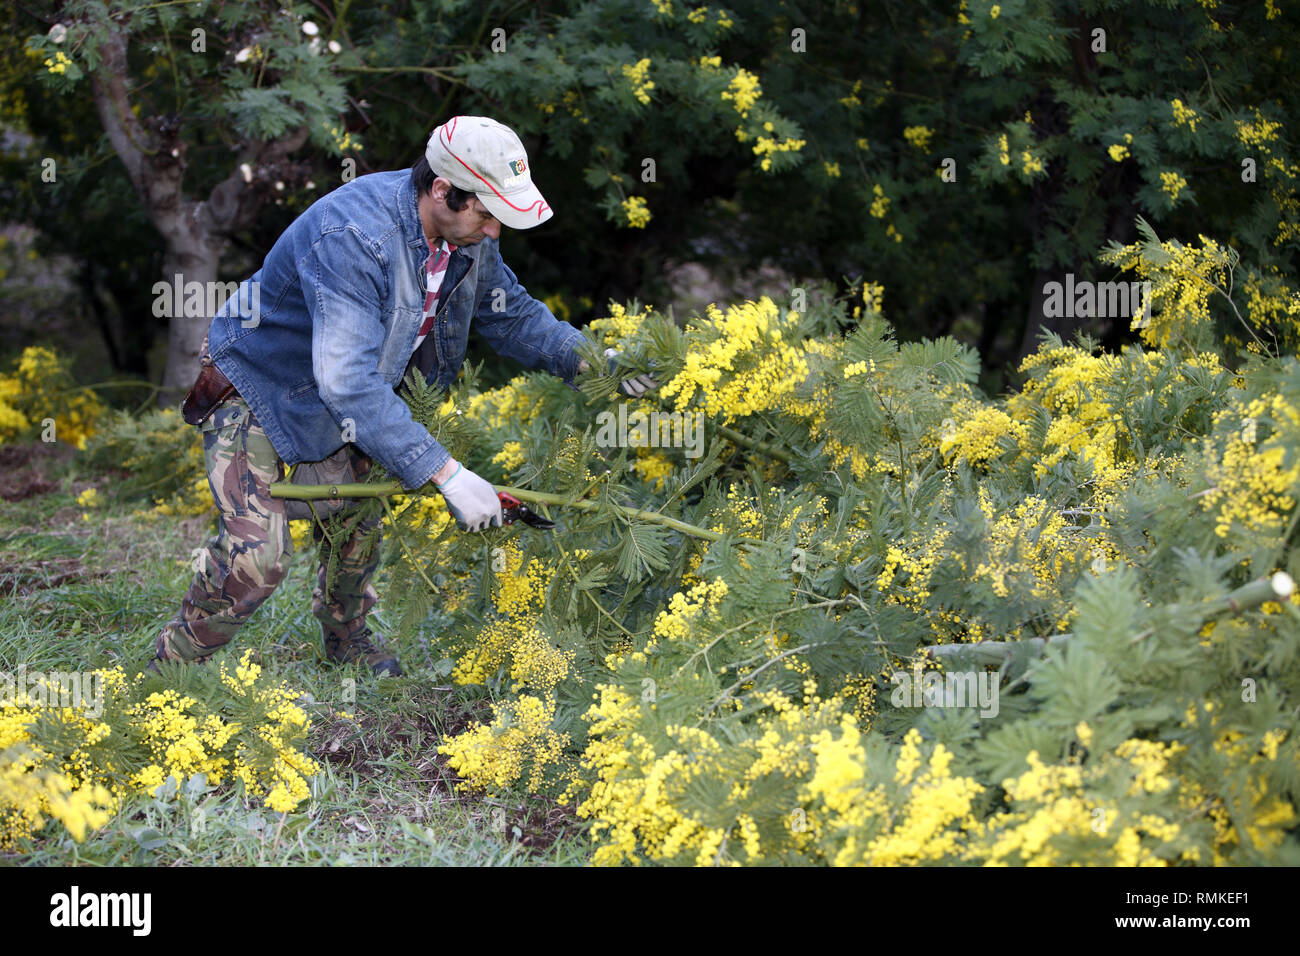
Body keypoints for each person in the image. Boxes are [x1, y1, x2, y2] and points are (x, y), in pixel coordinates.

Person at [153, 115, 657, 676]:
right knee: (259, 561)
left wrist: (598, 364)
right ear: (442, 190)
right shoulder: (354, 237)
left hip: (345, 396)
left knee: (356, 525)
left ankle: (348, 647)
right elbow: (347, 383)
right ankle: (170, 668)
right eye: (487, 214)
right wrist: (447, 474)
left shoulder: (466, 236)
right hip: (259, 387)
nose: (494, 233)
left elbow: (511, 315)